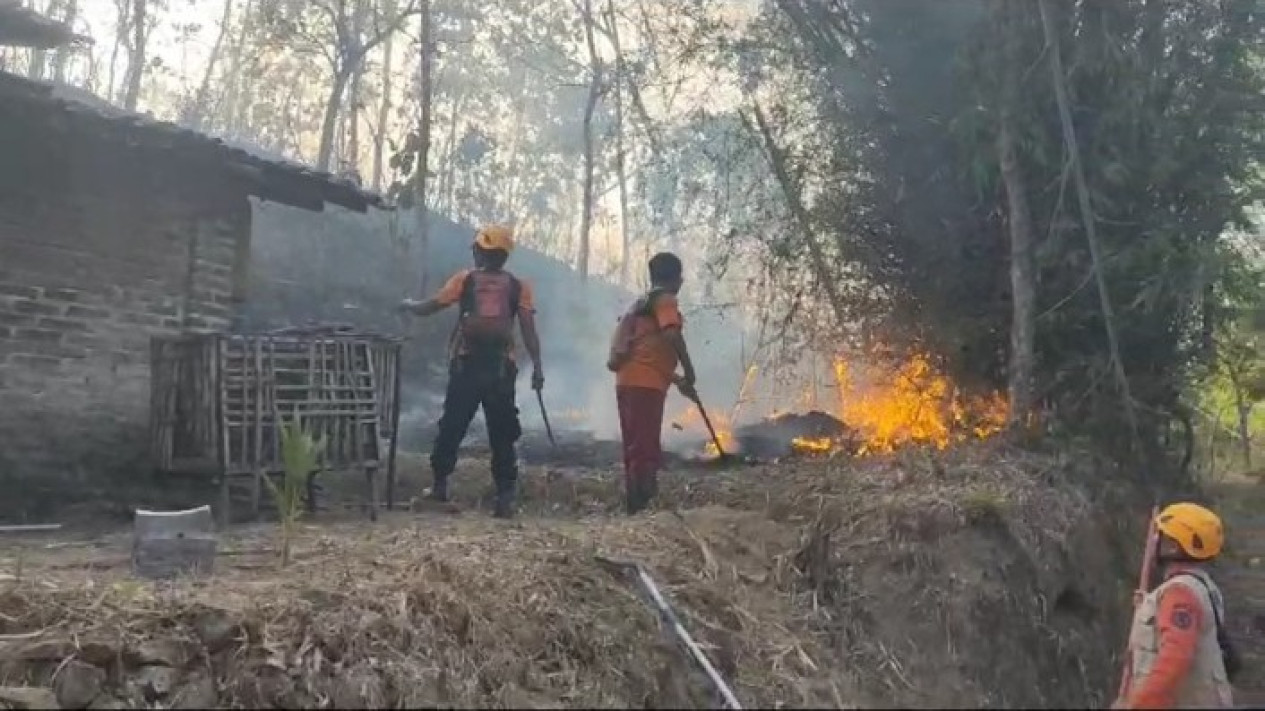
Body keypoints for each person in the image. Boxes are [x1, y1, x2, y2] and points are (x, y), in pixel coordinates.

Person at [399, 224, 543, 519]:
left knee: (452, 425)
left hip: (467, 365)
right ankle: (504, 497)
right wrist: (538, 368)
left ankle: (439, 487)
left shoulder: (465, 280)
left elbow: (431, 306)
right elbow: (529, 330)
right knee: (502, 432)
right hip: (502, 369)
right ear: (504, 255)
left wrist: (407, 305)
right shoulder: (519, 286)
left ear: (480, 250)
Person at [1116, 502, 1237, 709]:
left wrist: (1140, 704)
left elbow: (1175, 658)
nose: (1154, 540)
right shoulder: (1202, 586)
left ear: (1173, 545)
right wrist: (1149, 605)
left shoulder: (1179, 594)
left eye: (1160, 535)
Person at [607, 252, 696, 515]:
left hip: (628, 381)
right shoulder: (666, 300)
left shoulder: (642, 305)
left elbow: (648, 355)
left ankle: (636, 501)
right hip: (644, 386)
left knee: (635, 443)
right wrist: (690, 370)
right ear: (676, 279)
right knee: (645, 445)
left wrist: (678, 380)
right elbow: (671, 336)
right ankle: (642, 505)